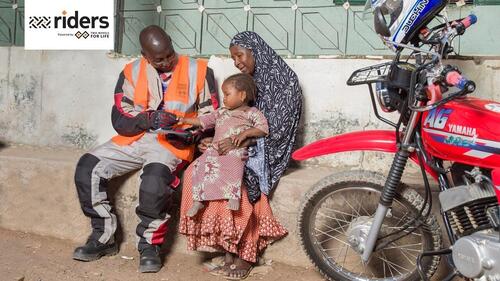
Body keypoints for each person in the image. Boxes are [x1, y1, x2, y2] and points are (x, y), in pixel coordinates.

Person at [72, 25, 218, 273]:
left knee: (153, 182)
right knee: (87, 168)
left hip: (173, 143)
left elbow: (212, 117)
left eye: (169, 55)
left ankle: (150, 245)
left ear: (171, 43)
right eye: (158, 60)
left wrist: (195, 137)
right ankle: (103, 236)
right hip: (136, 137)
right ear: (145, 55)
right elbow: (120, 118)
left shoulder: (201, 71)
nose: (166, 62)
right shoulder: (131, 71)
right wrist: (147, 120)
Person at [178, 31, 302, 280]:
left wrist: (238, 142)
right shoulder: (244, 83)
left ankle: (245, 253)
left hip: (268, 151)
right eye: (233, 58)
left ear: (256, 51)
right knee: (194, 172)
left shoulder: (285, 81)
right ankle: (226, 247)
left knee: (240, 182)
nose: (237, 62)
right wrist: (212, 142)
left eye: (240, 56)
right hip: (235, 146)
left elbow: (276, 133)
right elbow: (224, 119)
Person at [179, 73, 268, 216]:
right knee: (200, 164)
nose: (224, 98)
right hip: (216, 147)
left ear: (242, 95)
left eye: (227, 94)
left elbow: (263, 130)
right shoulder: (221, 112)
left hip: (236, 149)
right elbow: (204, 120)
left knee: (235, 162)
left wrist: (245, 134)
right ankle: (198, 199)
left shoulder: (251, 113)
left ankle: (233, 195)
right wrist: (184, 120)